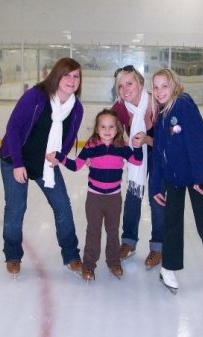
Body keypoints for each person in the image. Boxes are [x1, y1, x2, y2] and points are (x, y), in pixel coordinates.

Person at [0, 57, 84, 276]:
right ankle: (13, 255)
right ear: (56, 75)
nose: (71, 80)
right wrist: (18, 164)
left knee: (62, 206)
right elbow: (13, 128)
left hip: (45, 163)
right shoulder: (36, 96)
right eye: (67, 74)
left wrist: (61, 156)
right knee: (15, 209)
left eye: (76, 76)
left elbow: (69, 138)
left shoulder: (76, 108)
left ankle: (72, 255)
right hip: (15, 160)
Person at [150, 68, 203, 293]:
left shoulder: (183, 105)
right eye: (155, 87)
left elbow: (199, 142)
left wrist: (198, 177)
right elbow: (158, 153)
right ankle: (168, 269)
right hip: (173, 177)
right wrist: (156, 185)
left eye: (164, 85)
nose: (160, 91)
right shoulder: (161, 114)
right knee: (172, 223)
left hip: (196, 175)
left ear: (174, 85)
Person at [48, 109, 143, 281]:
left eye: (111, 127)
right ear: (97, 129)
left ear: (117, 129)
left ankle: (114, 262)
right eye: (103, 127)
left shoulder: (121, 147)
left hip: (114, 198)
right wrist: (60, 157)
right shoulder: (91, 147)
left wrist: (137, 147)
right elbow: (76, 165)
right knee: (93, 231)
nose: (107, 130)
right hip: (94, 198)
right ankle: (89, 265)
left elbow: (137, 161)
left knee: (113, 231)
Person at [112, 65, 165, 270]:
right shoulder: (119, 108)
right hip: (138, 154)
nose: (125, 89)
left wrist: (147, 140)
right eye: (120, 86)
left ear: (140, 84)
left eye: (130, 83)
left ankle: (158, 246)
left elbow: (169, 141)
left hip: (160, 154)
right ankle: (128, 241)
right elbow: (109, 134)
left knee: (157, 197)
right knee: (133, 196)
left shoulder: (157, 102)